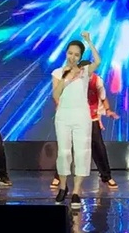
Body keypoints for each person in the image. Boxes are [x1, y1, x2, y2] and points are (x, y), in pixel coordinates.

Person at [51, 60, 119, 189]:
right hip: (73, 116)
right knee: (67, 147)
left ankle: (106, 176)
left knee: (98, 146)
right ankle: (58, 176)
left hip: (91, 117)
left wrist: (108, 110)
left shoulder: (97, 80)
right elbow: (59, 95)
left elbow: (103, 97)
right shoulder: (71, 78)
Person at [52, 32, 101, 208]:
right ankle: (63, 187)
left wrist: (88, 41)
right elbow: (56, 95)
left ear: (80, 56)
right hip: (63, 115)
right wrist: (66, 77)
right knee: (63, 153)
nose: (72, 57)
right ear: (66, 53)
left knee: (82, 152)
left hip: (82, 115)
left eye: (76, 54)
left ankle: (76, 191)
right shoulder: (58, 72)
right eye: (70, 53)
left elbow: (98, 61)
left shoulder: (85, 71)